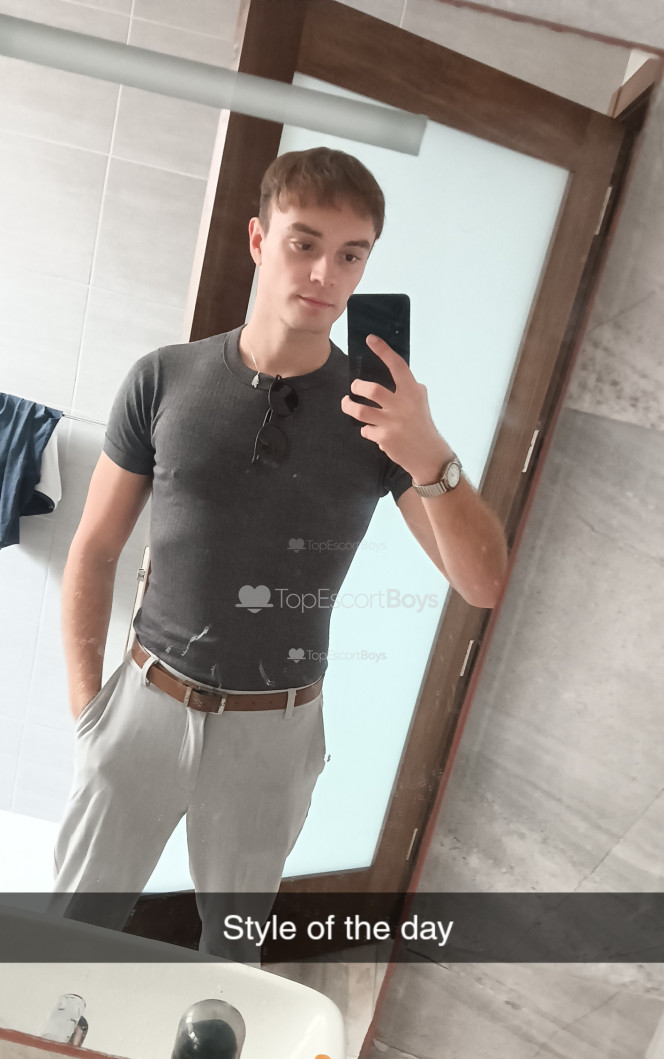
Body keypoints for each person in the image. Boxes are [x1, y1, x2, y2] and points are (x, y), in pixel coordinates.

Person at [48, 146, 508, 956]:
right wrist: (92, 712)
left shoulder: (380, 421)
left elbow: (482, 584)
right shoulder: (164, 378)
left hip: (276, 731)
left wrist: (428, 453)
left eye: (351, 255)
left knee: (230, 958)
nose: (326, 273)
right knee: (64, 938)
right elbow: (93, 548)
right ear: (260, 240)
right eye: (305, 243)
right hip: (143, 707)